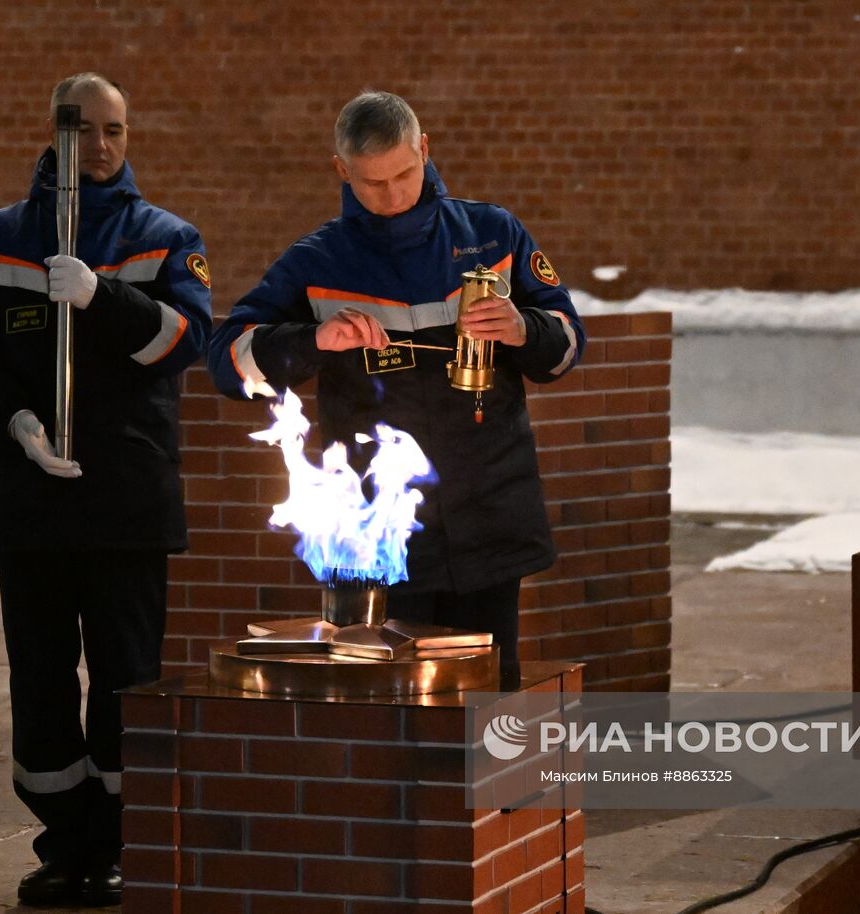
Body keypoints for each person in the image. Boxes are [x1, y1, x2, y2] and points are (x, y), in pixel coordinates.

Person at [0, 73, 211, 907]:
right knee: (41, 677)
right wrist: (13, 419)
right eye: (84, 130)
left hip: (124, 497)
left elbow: (186, 338)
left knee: (127, 677)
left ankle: (124, 843)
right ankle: (67, 843)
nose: (102, 147)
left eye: (116, 130)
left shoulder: (164, 236)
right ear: (53, 133)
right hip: (30, 502)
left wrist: (103, 294)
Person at [206, 90, 584, 690]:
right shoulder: (318, 259)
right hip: (382, 537)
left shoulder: (492, 234)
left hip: (490, 517)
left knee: (490, 709)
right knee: (397, 720)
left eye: (405, 174)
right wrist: (311, 342)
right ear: (342, 172)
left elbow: (565, 346)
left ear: (425, 149)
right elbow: (226, 360)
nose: (392, 195)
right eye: (372, 182)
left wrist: (522, 328)